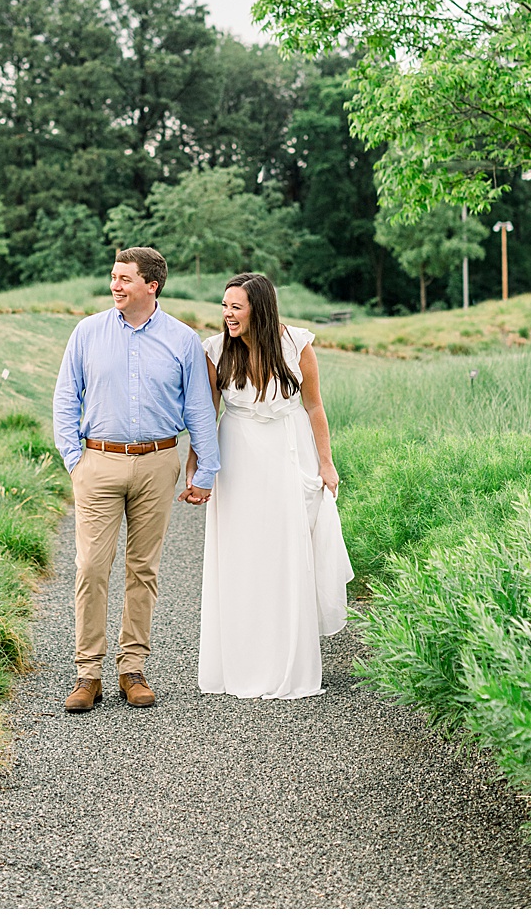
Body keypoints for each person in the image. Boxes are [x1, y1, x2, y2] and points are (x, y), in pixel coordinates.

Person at [51, 246, 221, 713]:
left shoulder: (183, 340)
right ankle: (88, 675)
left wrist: (205, 468)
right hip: (98, 463)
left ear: (152, 285)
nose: (115, 285)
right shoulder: (87, 333)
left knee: (142, 569)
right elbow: (66, 396)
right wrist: (74, 458)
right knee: (90, 568)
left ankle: (132, 670)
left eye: (125, 278)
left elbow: (198, 409)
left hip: (158, 463)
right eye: (113, 276)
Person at [195, 272, 353, 699]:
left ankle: (287, 659)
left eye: (236, 307)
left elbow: (315, 405)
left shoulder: (297, 344)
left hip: (287, 449)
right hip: (238, 456)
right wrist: (199, 469)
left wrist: (326, 463)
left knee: (285, 549)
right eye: (225, 306)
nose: (227, 315)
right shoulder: (214, 351)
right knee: (241, 551)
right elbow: (205, 417)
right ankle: (240, 660)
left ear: (258, 309)